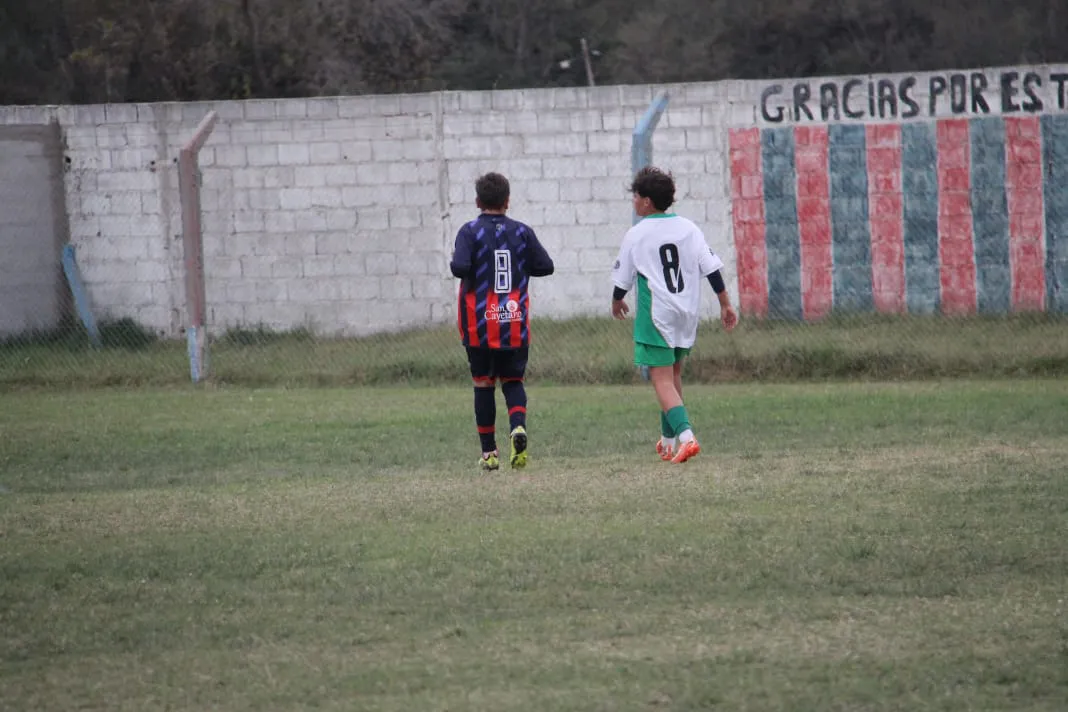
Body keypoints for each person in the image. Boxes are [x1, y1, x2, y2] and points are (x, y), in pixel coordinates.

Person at [610, 166, 738, 464]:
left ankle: (687, 437)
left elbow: (623, 279)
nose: (633, 201)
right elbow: (711, 268)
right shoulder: (688, 228)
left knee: (661, 380)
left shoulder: (637, 233)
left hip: (657, 314)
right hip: (686, 312)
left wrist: (617, 301)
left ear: (646, 201)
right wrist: (725, 303)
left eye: (635, 196)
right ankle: (668, 442)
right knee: (673, 375)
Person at [450, 172, 555, 471]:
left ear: (477, 201)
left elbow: (459, 267)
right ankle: (517, 426)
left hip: (479, 324)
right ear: (507, 201)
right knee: (513, 380)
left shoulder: (469, 232)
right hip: (514, 321)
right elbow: (546, 266)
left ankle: (489, 453)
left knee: (483, 384)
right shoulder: (521, 232)